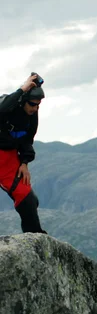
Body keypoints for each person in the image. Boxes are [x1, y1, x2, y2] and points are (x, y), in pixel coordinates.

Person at [0, 73, 46, 234]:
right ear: (22, 100)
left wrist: (24, 163)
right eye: (32, 104)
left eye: (38, 105)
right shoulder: (8, 104)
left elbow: (28, 139)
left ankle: (34, 238)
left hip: (8, 156)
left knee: (28, 199)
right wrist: (22, 89)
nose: (35, 108)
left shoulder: (32, 115)